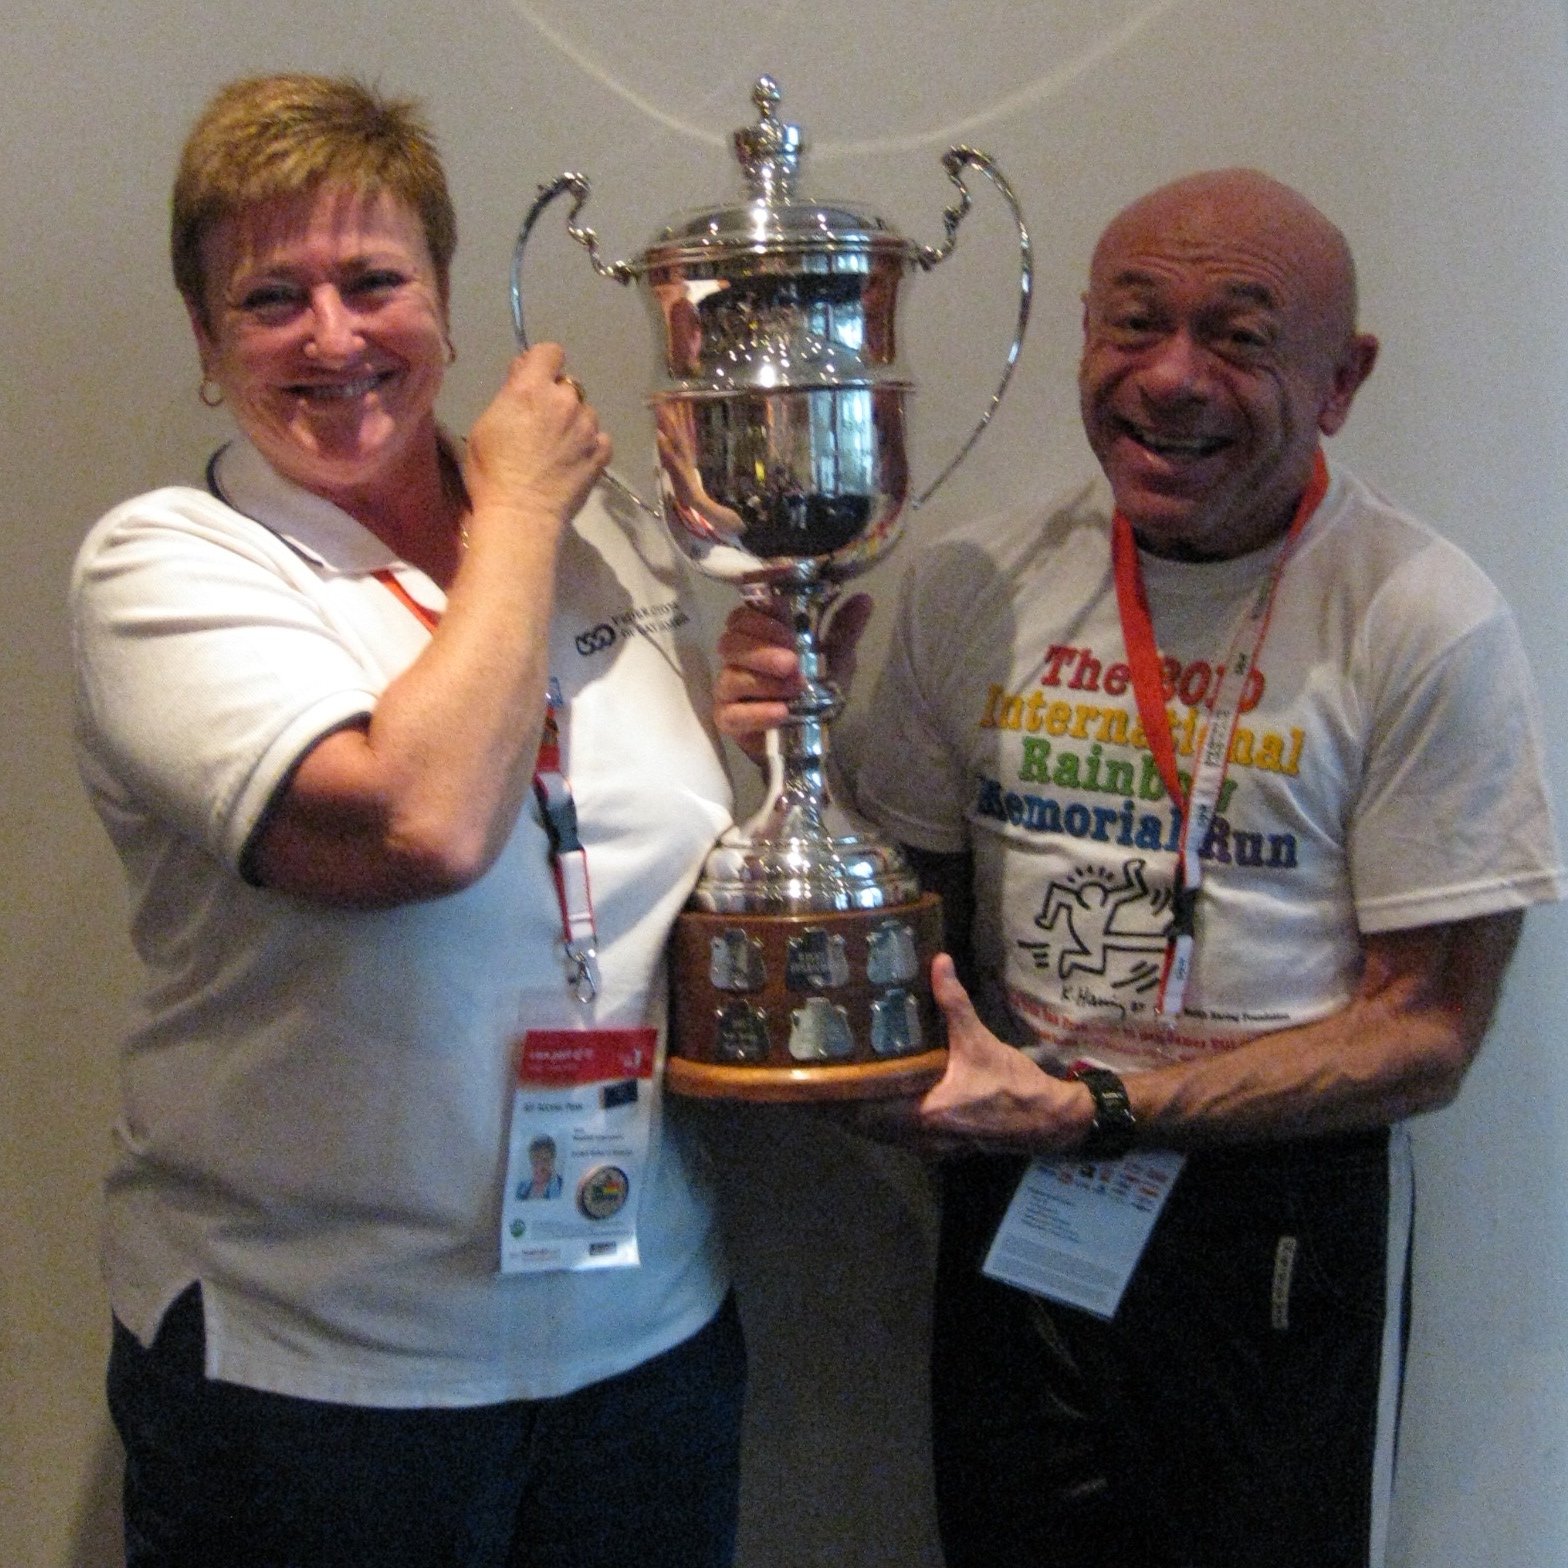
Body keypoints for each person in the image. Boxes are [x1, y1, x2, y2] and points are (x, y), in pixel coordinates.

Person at [714, 168, 1564, 1568]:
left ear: (1341, 381)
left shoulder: (1422, 617)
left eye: (1238, 337)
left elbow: (1426, 1031)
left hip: (1272, 1214)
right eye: (1135, 323)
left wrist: (1106, 1109)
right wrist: (776, 740)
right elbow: (915, 921)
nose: (1171, 378)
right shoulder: (972, 587)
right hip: (1021, 1191)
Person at [72, 74, 744, 1568]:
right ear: (204, 341)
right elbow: (420, 830)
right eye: (270, 298)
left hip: (644, 1336)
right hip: (319, 1378)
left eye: (374, 281)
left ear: (441, 298)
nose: (333, 337)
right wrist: (520, 512)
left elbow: (657, 846)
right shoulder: (168, 565)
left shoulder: (610, 538)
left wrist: (764, 726)